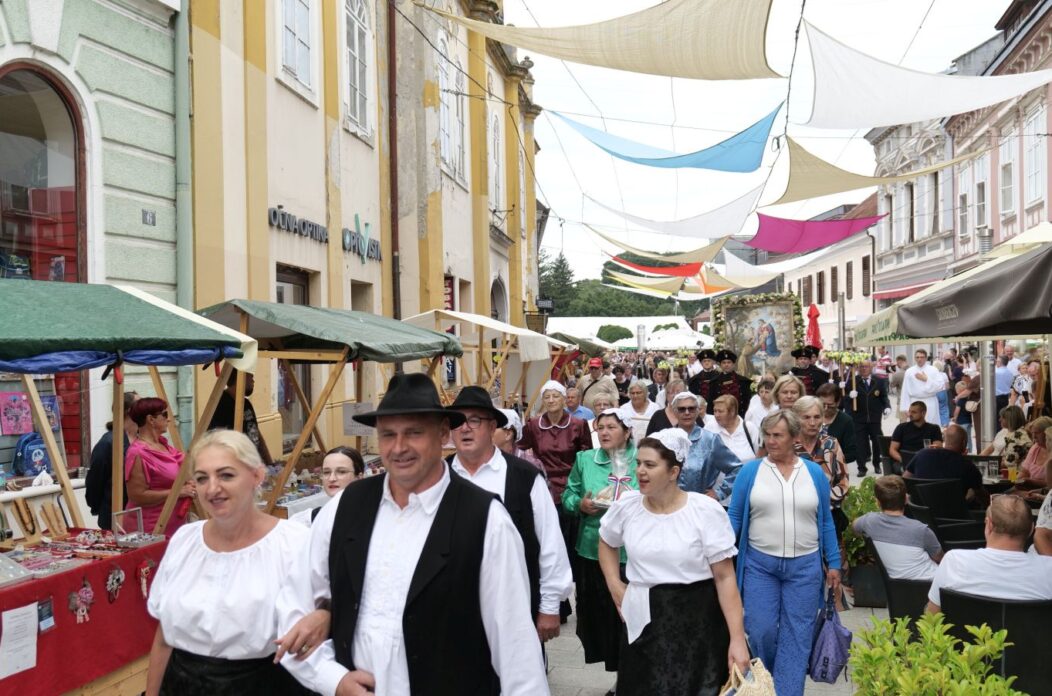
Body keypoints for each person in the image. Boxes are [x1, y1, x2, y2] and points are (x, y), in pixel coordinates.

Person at [277, 373, 547, 695]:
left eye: (414, 433)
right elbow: (294, 604)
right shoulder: (346, 506)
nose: (399, 447)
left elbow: (517, 650)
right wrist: (332, 679)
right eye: (388, 434)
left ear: (443, 433)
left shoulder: (486, 519)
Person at [146, 430, 315, 695]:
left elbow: (321, 623)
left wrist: (325, 614)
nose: (212, 489)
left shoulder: (293, 543)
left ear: (256, 476)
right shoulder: (185, 540)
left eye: (226, 475)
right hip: (181, 685)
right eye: (202, 478)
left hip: (262, 686)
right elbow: (165, 635)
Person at [598, 429, 749, 695]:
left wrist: (737, 638)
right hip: (644, 617)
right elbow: (607, 541)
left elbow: (725, 577)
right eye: (639, 464)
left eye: (650, 465)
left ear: (673, 472)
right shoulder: (628, 507)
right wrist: (614, 582)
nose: (641, 471)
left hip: (698, 618)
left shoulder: (704, 511)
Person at [446, 386, 573, 644]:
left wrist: (549, 606)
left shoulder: (524, 477)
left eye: (475, 420)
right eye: (458, 421)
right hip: (453, 604)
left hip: (515, 601)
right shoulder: (438, 475)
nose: (465, 428)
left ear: (492, 427)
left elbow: (550, 542)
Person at [728, 411, 841, 696]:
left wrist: (835, 563)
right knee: (761, 628)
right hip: (759, 564)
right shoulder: (751, 471)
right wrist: (722, 556)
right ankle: (766, 686)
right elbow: (735, 517)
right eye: (767, 435)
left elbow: (825, 521)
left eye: (777, 435)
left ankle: (787, 691)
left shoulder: (813, 473)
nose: (770, 441)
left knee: (797, 635)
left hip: (804, 567)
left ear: (794, 438)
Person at [562, 410, 639, 676]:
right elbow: (569, 494)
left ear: (627, 431)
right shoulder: (585, 459)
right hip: (592, 549)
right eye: (600, 428)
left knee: (631, 619)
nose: (604, 433)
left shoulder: (642, 460)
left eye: (611, 427)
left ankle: (633, 675)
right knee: (602, 619)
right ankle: (619, 674)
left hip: (634, 553)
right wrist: (579, 504)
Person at [519, 380, 592, 622]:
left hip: (569, 492)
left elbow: (585, 456)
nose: (551, 401)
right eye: (547, 397)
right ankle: (557, 606)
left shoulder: (578, 424)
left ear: (565, 399)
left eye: (555, 396)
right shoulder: (532, 425)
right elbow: (520, 449)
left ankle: (574, 599)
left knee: (568, 548)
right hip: (542, 490)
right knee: (545, 547)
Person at [926, 495, 1052, 613]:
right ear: (1031, 529)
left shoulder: (954, 561)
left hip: (967, 636)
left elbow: (931, 617)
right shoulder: (1048, 570)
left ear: (989, 525)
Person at [125, 398, 194, 536]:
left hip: (173, 525)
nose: (169, 420)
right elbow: (137, 496)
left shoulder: (164, 446)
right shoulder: (138, 452)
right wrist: (178, 492)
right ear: (151, 419)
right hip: (151, 528)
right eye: (165, 414)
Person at [853, 475, 942, 580]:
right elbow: (940, 558)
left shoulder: (868, 521)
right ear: (906, 499)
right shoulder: (921, 530)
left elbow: (854, 527)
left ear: (877, 502)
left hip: (896, 588)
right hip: (931, 585)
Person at [792, 397, 849, 535]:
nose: (812, 423)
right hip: (795, 517)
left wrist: (821, 501)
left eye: (817, 417)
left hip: (828, 515)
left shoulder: (831, 444)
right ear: (796, 419)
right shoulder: (788, 446)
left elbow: (843, 482)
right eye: (806, 417)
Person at [672, 392, 741, 503]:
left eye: (691, 408)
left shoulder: (710, 440)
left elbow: (736, 468)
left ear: (698, 411)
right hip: (669, 506)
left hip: (699, 507)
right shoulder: (664, 439)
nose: (687, 412)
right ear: (674, 412)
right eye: (681, 409)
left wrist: (719, 493)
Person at [86, 391, 139, 530]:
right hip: (113, 514)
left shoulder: (142, 440)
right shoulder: (108, 442)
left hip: (138, 514)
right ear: (129, 411)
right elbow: (95, 480)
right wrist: (98, 506)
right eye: (140, 404)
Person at [904, 425, 987, 506]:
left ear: (944, 440)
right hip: (954, 516)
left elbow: (905, 479)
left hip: (921, 513)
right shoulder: (967, 466)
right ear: (964, 442)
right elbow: (983, 497)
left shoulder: (922, 454)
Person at [209, 369, 274, 466]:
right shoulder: (222, 404)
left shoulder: (246, 404)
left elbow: (257, 434)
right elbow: (217, 439)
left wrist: (270, 464)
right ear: (240, 377)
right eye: (250, 375)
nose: (253, 379)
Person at [289, 446, 365, 527]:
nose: (332, 478)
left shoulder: (373, 516)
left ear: (359, 477)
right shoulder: (312, 519)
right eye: (326, 472)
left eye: (341, 472)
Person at [843, 360, 890, 476]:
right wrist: (849, 395)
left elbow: (884, 396)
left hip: (874, 417)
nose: (864, 369)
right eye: (862, 367)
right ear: (858, 368)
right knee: (860, 444)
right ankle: (862, 467)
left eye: (866, 366)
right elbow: (844, 399)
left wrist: (887, 407)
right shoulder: (853, 381)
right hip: (859, 418)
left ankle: (877, 464)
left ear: (871, 368)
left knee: (877, 442)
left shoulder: (878, 381)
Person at [705, 395, 759, 464]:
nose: (716, 415)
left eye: (720, 411)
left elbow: (759, 455)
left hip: (747, 473)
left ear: (732, 412)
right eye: (715, 411)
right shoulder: (710, 427)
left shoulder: (749, 428)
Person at [889, 402, 943, 468]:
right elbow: (892, 450)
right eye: (909, 411)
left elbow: (938, 448)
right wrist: (903, 460)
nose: (910, 414)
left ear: (923, 413)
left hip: (926, 462)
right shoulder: (901, 427)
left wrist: (933, 448)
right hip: (905, 462)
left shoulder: (934, 428)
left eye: (914, 412)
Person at [816, 383, 857, 470]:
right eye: (822, 405)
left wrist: (830, 460)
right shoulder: (811, 416)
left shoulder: (846, 421)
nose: (826, 409)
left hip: (835, 469)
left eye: (830, 406)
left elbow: (852, 453)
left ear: (838, 402)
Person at [704, 349, 753, 418]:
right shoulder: (714, 383)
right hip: (720, 417)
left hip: (740, 417)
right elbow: (710, 405)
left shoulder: (743, 381)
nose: (726, 365)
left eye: (729, 362)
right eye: (724, 362)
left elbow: (748, 402)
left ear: (733, 364)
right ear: (720, 364)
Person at [900, 349, 943, 426]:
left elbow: (940, 386)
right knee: (915, 425)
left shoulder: (933, 370)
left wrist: (926, 379)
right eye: (917, 357)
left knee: (931, 424)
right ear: (915, 358)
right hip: (914, 401)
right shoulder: (909, 371)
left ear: (926, 358)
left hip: (930, 402)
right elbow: (905, 390)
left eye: (922, 357)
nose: (919, 359)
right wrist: (906, 408)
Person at [1017, 416, 1052, 487]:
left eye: (1037, 433)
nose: (1034, 437)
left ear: (1047, 433)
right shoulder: (1035, 447)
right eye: (1032, 433)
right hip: (1032, 490)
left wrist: (1033, 482)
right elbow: (1024, 472)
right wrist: (1016, 482)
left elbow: (1050, 485)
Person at [950, 382, 974, 453]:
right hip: (968, 421)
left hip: (961, 422)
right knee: (969, 436)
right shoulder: (968, 399)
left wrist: (954, 418)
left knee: (962, 437)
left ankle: (964, 450)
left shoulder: (960, 400)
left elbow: (957, 410)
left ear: (958, 391)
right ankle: (970, 450)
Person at [931, 359, 952, 427]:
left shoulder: (931, 375)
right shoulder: (944, 374)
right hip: (942, 392)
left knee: (935, 409)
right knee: (944, 408)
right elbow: (947, 386)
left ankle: (936, 424)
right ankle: (945, 424)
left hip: (934, 393)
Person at [889, 354, 909, 421]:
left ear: (898, 362)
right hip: (914, 401)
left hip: (902, 401)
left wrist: (893, 374)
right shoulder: (913, 370)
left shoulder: (898, 374)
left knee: (903, 424)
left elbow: (891, 385)